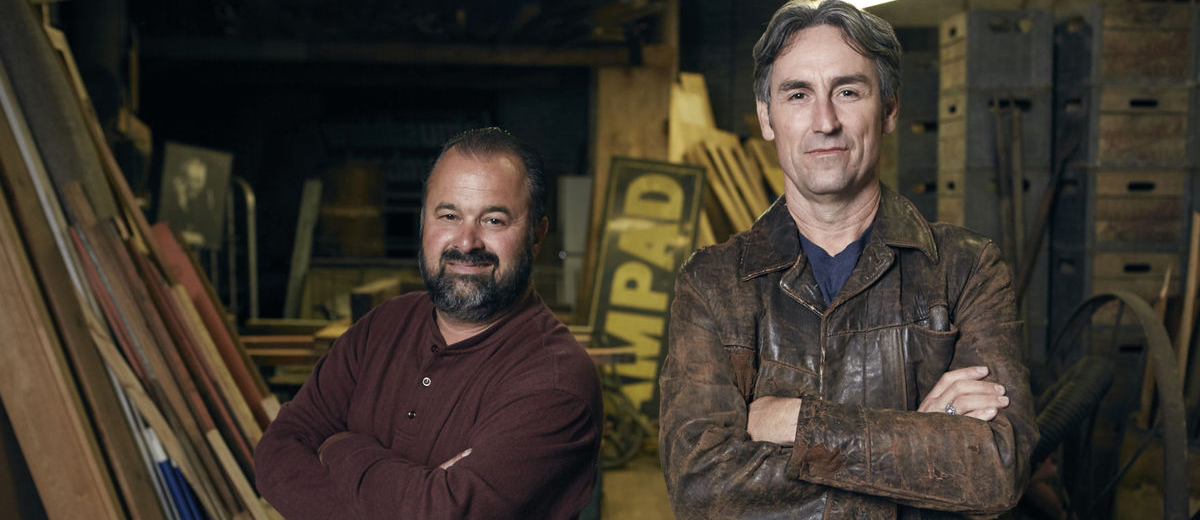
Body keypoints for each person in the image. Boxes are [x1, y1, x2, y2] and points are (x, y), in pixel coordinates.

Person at [658, 1, 1038, 518]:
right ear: (767, 117)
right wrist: (921, 439)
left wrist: (794, 423)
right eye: (798, 94)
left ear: (889, 109)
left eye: (848, 91)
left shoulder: (966, 269)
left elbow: (997, 470)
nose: (825, 122)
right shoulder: (712, 282)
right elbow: (700, 486)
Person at [255, 127, 603, 519]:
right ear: (424, 222)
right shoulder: (383, 325)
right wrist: (417, 497)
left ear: (536, 236)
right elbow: (275, 455)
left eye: (493, 220)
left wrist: (339, 447)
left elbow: (441, 514)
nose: (466, 242)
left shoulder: (556, 384)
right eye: (449, 216)